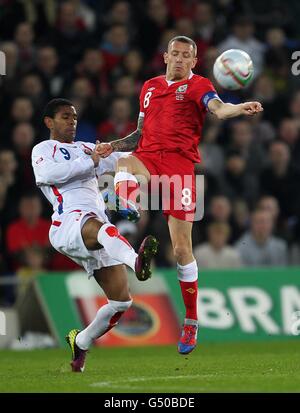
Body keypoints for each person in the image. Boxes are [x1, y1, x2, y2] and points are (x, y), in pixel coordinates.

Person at [95, 35, 263, 355]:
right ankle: (127, 204)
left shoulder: (199, 86)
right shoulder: (149, 88)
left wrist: (238, 108)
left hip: (180, 167)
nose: (181, 59)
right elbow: (139, 135)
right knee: (125, 162)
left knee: (182, 248)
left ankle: (191, 320)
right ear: (166, 57)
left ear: (194, 61)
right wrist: (112, 146)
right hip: (148, 156)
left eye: (187, 55)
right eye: (176, 54)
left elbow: (218, 109)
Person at [31, 98, 158, 372]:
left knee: (121, 302)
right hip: (67, 224)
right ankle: (136, 260)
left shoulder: (87, 148)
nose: (72, 121)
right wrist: (91, 161)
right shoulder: (44, 149)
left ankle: (81, 341)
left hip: (98, 231)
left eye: (75, 117)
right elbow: (51, 173)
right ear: (49, 122)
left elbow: (124, 156)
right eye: (65, 116)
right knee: (98, 225)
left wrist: (149, 124)